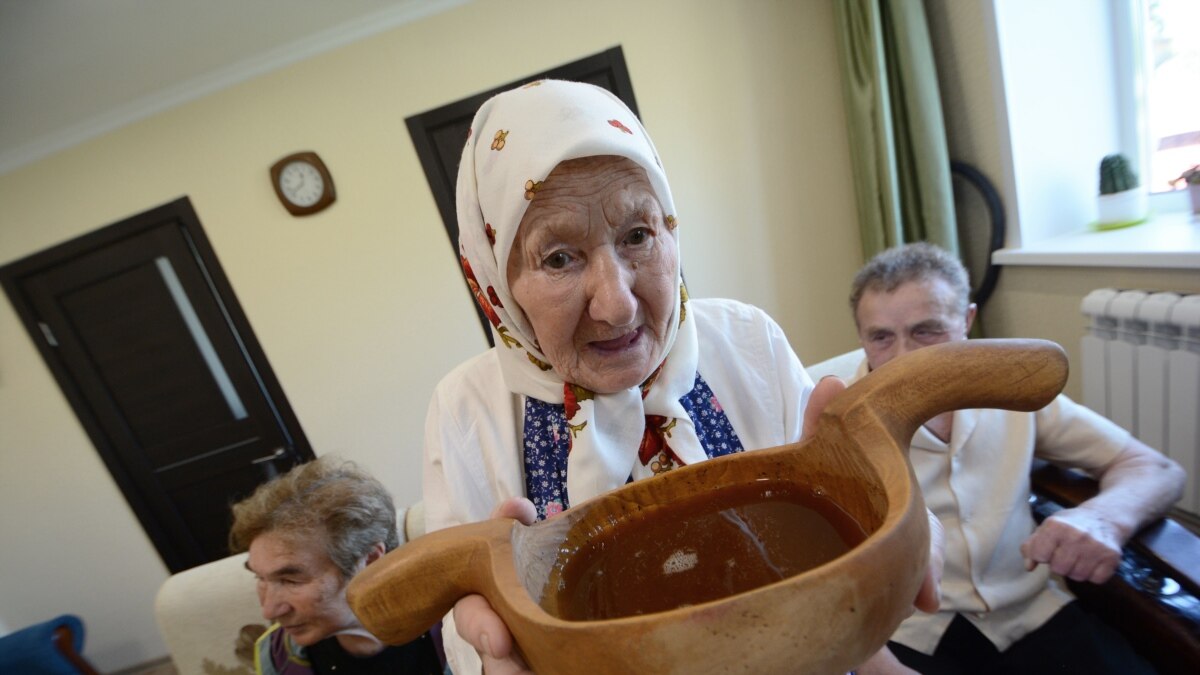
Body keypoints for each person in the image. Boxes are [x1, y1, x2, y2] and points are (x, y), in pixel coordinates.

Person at [421, 79, 938, 675]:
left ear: (670, 228)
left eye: (637, 235)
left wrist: (886, 525)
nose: (616, 305)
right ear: (494, 280)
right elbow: (464, 626)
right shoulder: (463, 409)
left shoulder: (747, 338)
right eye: (558, 257)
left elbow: (842, 565)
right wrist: (504, 653)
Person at [845, 242, 1186, 675]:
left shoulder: (1014, 386)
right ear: (862, 337)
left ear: (967, 321)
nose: (903, 358)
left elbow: (1154, 469)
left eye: (927, 331)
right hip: (906, 635)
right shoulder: (831, 416)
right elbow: (816, 570)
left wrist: (1104, 518)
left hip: (1029, 614)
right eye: (881, 338)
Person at [229, 456, 445, 675]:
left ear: (369, 560)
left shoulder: (454, 625)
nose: (269, 611)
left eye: (290, 580)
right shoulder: (278, 656)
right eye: (261, 579)